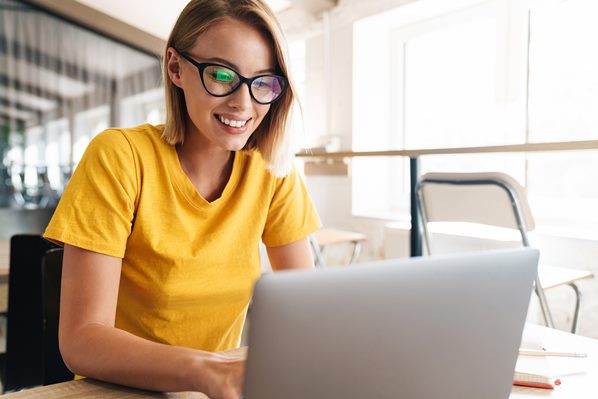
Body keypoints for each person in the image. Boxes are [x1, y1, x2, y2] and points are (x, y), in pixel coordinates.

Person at [43, 1, 321, 398]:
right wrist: (208, 372)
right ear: (175, 67)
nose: (243, 104)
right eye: (222, 75)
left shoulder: (271, 169)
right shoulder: (120, 156)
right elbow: (81, 340)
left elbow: (309, 312)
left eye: (263, 82)